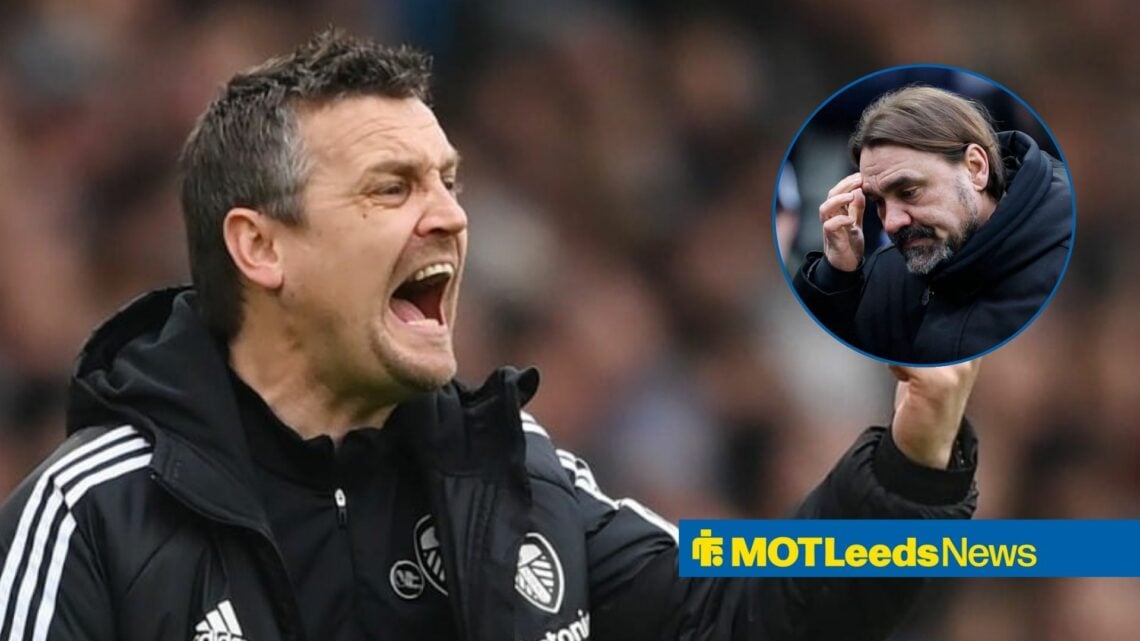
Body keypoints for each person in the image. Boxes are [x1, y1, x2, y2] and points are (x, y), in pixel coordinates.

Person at [0, 31, 981, 641]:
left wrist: (914, 457)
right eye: (393, 188)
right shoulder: (95, 516)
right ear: (261, 247)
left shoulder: (513, 478)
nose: (450, 217)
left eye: (450, 181)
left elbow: (741, 611)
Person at [792, 85, 1073, 364]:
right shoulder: (886, 271)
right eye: (878, 201)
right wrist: (836, 277)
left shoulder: (1065, 265)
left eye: (909, 192)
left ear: (975, 168)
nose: (891, 224)